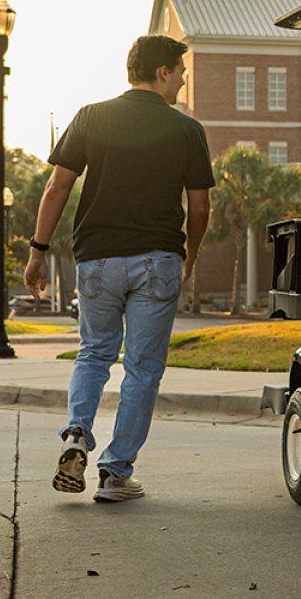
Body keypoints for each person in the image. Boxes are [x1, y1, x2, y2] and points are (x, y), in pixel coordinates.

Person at [25, 35, 214, 502]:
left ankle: (75, 436)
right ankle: (114, 473)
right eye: (181, 71)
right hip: (158, 259)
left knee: (93, 353)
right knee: (143, 369)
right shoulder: (187, 130)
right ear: (163, 72)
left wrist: (38, 250)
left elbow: (56, 187)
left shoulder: (92, 116)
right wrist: (189, 254)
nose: (184, 80)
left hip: (97, 258)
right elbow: (201, 205)